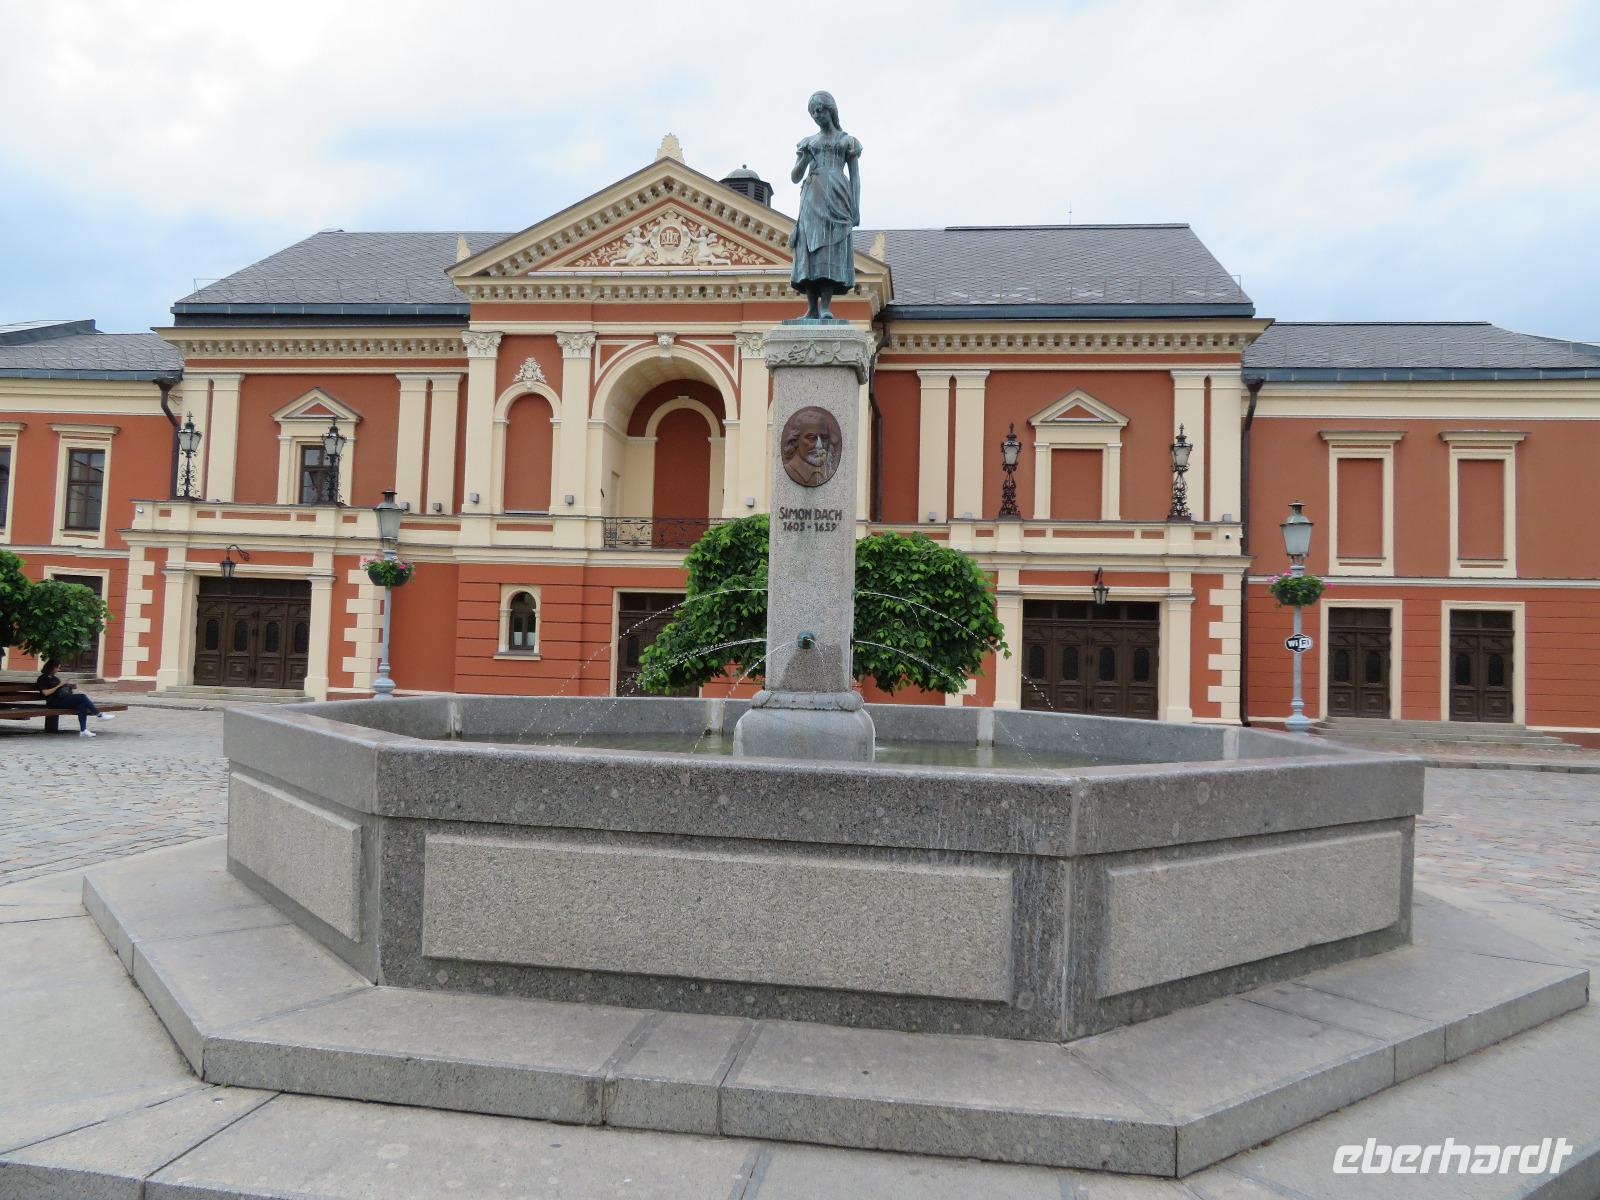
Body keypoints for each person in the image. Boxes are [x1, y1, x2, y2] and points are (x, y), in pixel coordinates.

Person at [789, 90, 862, 321]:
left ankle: (826, 307)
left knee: (829, 248)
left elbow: (855, 176)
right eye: (812, 112)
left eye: (819, 110)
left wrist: (856, 207)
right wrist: (804, 158)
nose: (816, 115)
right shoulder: (808, 142)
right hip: (811, 198)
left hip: (837, 196)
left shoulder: (847, 141)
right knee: (808, 249)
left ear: (830, 109)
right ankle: (811, 308)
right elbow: (795, 176)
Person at [35, 659, 113, 737]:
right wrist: (59, 686)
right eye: (58, 668)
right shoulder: (42, 679)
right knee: (82, 696)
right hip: (53, 702)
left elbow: (60, 690)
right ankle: (99, 714)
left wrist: (65, 686)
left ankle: (83, 730)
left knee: (81, 704)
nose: (59, 670)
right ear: (52, 667)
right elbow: (45, 693)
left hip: (62, 699)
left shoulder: (54, 678)